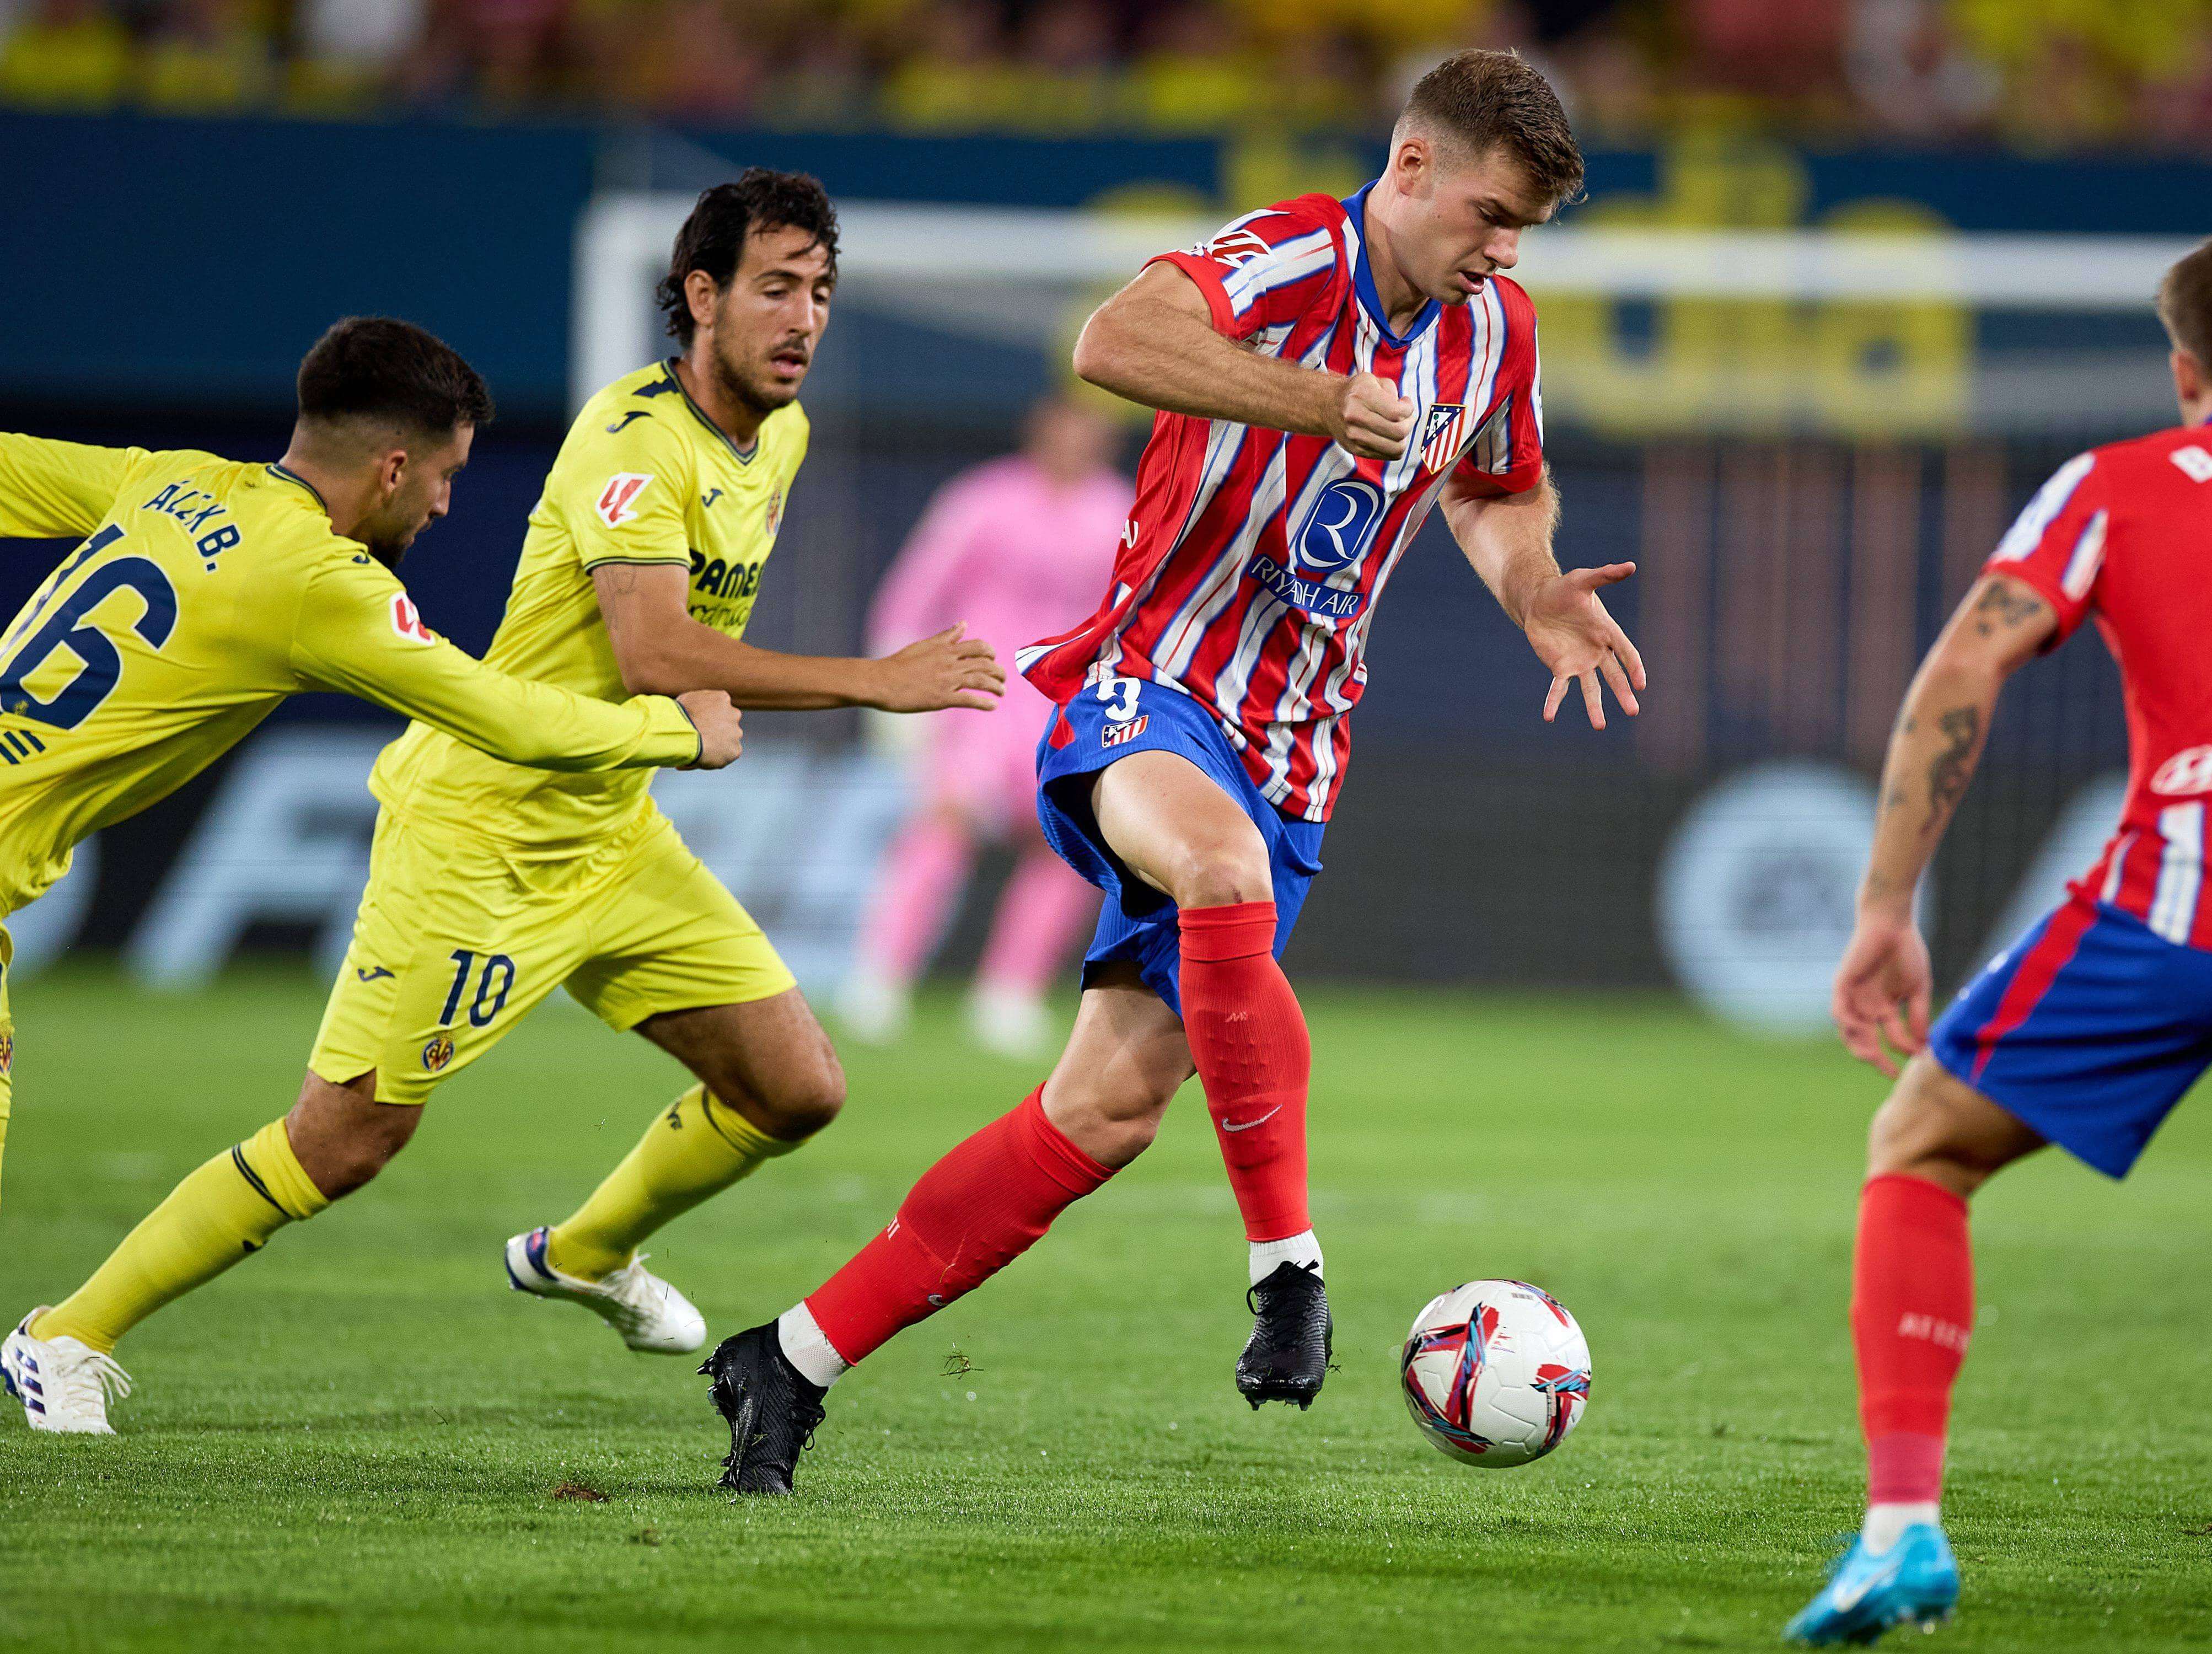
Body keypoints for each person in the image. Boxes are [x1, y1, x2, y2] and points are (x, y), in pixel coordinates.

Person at [699, 47, 1645, 1496]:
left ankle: (790, 1360)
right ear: (1411, 169)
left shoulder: (1493, 329)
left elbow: (1496, 486)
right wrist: (1313, 400)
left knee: (1101, 1115)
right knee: (1218, 867)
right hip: (1153, 687)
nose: (1505, 251)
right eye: (1492, 216)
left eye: (1525, 230)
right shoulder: (1288, 259)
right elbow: (1114, 340)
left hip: (1301, 744)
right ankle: (1288, 1271)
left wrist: (1532, 590)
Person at [7, 168, 1005, 1436]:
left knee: (795, 1085)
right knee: (344, 1142)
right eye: (775, 288)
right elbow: (651, 652)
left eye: (820, 290)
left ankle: (582, 1254)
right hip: (480, 835)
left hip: (611, 829)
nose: (804, 317)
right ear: (701, 296)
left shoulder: (783, 437)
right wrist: (868, 684)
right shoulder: (624, 444)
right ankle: (67, 1334)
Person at [1787, 224, 2212, 1648]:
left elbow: (1968, 660)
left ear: (2181, 368)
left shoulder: (2115, 482)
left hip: (2196, 880)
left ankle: (1900, 1536)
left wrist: (1885, 907)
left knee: (1921, 1145)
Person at [0, 315, 748, 1428]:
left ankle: (64, 1341)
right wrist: (676, 734)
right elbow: (507, 717)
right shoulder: (321, 582)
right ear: (394, 468)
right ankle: (60, 1343)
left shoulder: (170, 481)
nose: (445, 505)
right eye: (446, 476)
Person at [835, 394, 1130, 1058]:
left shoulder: (1120, 513)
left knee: (1071, 848)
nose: (1078, 441)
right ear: (1040, 428)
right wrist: (891, 684)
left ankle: (1009, 993)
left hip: (1068, 708)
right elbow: (915, 592)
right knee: (943, 827)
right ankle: (880, 977)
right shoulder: (982, 501)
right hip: (976, 697)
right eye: (1067, 427)